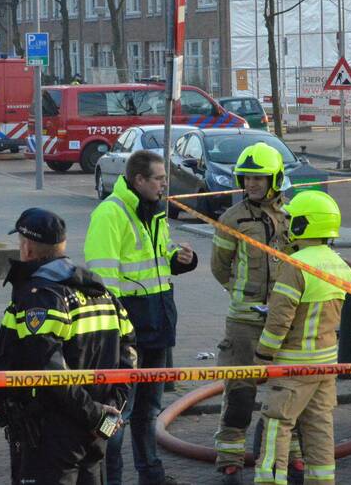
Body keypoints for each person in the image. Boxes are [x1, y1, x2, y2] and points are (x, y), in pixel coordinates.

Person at [0, 208, 136, 485]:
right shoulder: (102, 293)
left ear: (27, 247)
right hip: (95, 432)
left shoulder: (41, 297)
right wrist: (109, 412)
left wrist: (95, 414)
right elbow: (129, 354)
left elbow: (48, 369)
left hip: (50, 436)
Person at [84, 150, 198, 485]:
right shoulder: (111, 213)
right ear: (139, 180)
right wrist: (117, 336)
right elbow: (103, 281)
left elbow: (158, 258)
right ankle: (112, 478)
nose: (165, 184)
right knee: (118, 414)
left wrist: (181, 258)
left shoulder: (154, 211)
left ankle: (151, 474)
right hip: (127, 336)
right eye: (159, 179)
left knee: (149, 411)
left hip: (157, 327)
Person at [211, 142, 302, 484]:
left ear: (274, 180)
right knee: (239, 394)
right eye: (246, 178)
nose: (250, 184)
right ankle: (230, 460)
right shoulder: (232, 219)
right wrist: (243, 293)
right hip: (244, 323)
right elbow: (220, 267)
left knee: (288, 394)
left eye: (258, 178)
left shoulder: (293, 216)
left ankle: (292, 457)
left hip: (283, 321)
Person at [253, 191, 351, 485]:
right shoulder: (341, 266)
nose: (285, 225)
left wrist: (262, 356)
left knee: (277, 424)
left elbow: (279, 320)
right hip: (326, 364)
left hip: (294, 365)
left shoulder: (295, 265)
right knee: (319, 427)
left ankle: (270, 480)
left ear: (304, 224)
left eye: (291, 220)